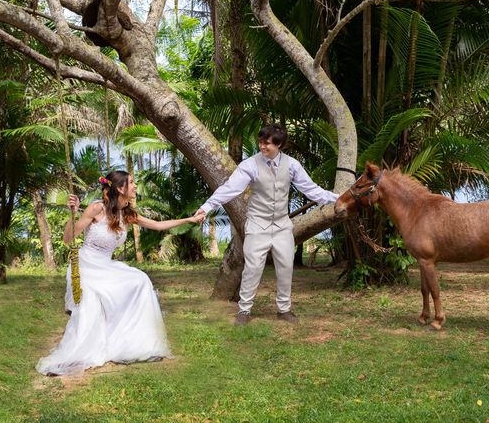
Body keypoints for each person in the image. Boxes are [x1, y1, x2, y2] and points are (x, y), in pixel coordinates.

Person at [36, 170, 204, 376]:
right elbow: (68, 240)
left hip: (106, 265)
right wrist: (74, 212)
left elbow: (158, 225)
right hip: (87, 265)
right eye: (131, 183)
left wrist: (189, 219)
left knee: (140, 280)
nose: (134, 186)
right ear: (120, 188)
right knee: (92, 301)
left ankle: (131, 342)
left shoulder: (127, 213)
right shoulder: (97, 208)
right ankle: (77, 353)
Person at [195, 124, 339, 325]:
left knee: (286, 267)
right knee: (253, 268)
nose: (262, 146)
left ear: (279, 145)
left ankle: (284, 310)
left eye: (267, 143)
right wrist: (206, 207)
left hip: (282, 226)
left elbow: (311, 189)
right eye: (261, 142)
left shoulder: (292, 165)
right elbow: (230, 189)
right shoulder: (250, 165)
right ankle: (244, 310)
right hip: (257, 224)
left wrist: (336, 199)